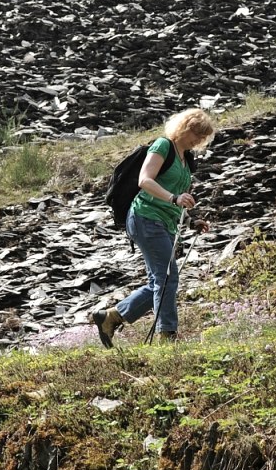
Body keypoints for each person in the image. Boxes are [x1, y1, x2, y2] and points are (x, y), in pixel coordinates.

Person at [92, 108, 216, 347]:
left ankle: (110, 318)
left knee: (159, 281)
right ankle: (167, 336)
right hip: (145, 217)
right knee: (167, 278)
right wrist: (174, 198)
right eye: (196, 133)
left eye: (203, 137)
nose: (198, 140)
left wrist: (190, 221)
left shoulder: (186, 159)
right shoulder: (163, 146)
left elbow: (176, 198)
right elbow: (145, 180)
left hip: (165, 222)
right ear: (184, 127)